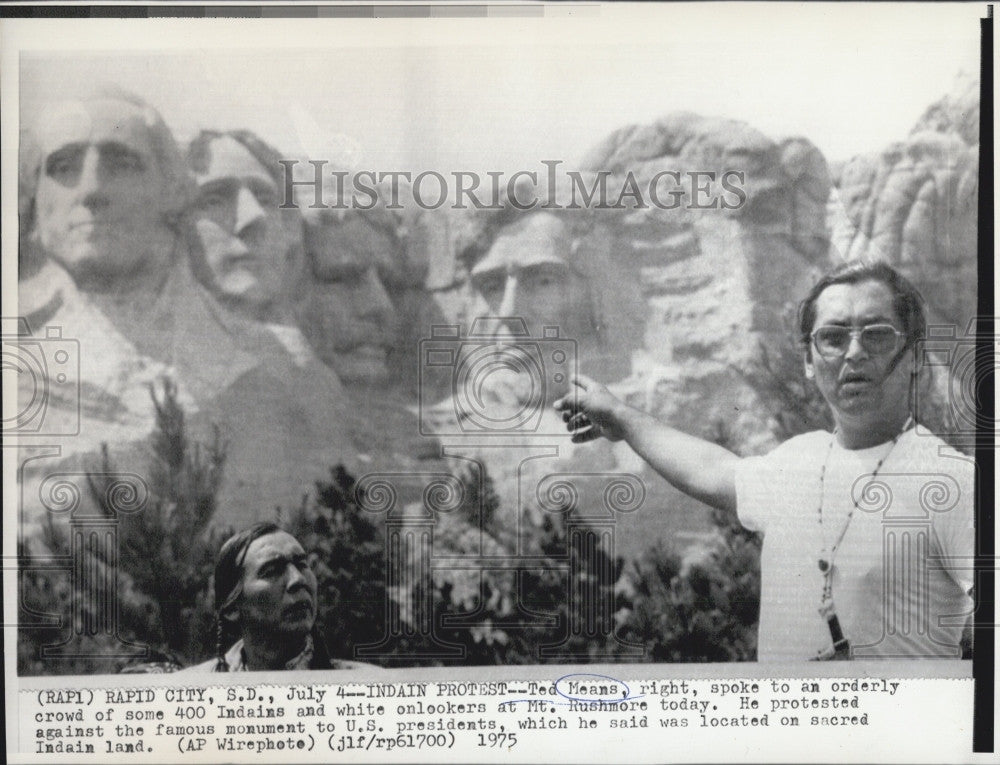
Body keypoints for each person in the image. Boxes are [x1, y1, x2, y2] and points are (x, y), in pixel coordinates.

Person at [556, 261, 974, 660]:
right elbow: (711, 470)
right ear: (809, 362)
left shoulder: (953, 481)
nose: (854, 352)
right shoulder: (799, 460)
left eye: (877, 334)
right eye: (832, 337)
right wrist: (621, 417)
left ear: (917, 355)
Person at [187, 523, 372, 671]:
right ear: (232, 608)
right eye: (271, 571)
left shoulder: (365, 684)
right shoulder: (192, 689)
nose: (298, 579)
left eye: (301, 564)